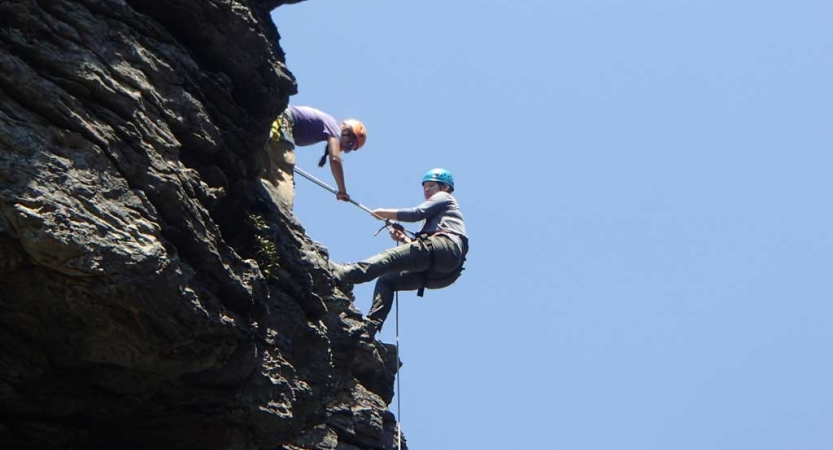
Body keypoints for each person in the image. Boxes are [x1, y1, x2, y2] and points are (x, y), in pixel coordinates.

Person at [332, 168, 468, 338]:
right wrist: (404, 238)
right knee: (388, 281)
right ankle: (370, 327)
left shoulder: (445, 197)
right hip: (442, 273)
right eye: (424, 187)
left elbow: (417, 213)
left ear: (445, 187)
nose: (426, 190)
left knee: (389, 258)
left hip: (444, 248)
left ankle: (348, 273)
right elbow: (422, 253)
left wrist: (383, 212)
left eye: (431, 185)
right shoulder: (439, 219)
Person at [264, 105, 366, 208]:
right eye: (350, 143)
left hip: (275, 119)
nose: (345, 148)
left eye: (349, 149)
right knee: (283, 173)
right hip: (283, 121)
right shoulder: (335, 128)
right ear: (345, 129)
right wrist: (342, 190)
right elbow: (335, 159)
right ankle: (283, 208)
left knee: (267, 166)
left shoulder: (328, 125)